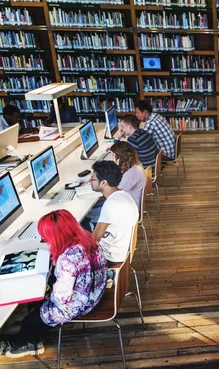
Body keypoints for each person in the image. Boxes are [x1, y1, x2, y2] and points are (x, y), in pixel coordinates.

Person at [1, 210, 107, 358]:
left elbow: (61, 299)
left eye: (46, 237)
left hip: (80, 305)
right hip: (96, 292)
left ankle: (17, 344)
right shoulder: (87, 238)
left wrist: (47, 294)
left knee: (34, 317)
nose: (46, 240)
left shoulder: (68, 259)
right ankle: (34, 334)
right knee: (37, 305)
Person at [89, 161, 139, 266]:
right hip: (122, 250)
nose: (90, 181)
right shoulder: (124, 195)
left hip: (110, 258)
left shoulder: (111, 204)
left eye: (93, 179)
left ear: (103, 183)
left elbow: (94, 239)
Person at [110, 141, 146, 211]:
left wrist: (113, 166)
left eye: (112, 155)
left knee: (91, 213)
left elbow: (114, 192)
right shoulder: (134, 165)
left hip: (128, 209)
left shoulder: (131, 173)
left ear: (118, 158)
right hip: (127, 202)